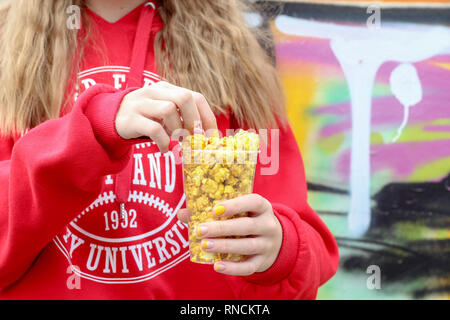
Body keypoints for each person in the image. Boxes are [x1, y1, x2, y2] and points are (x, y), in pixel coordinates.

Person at [0, 0, 338, 299]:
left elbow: (304, 252)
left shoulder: (233, 56)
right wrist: (94, 129)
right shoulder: (8, 46)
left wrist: (279, 248)